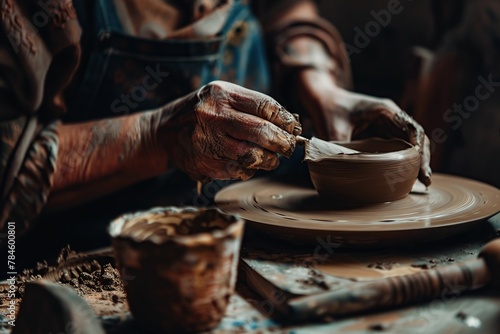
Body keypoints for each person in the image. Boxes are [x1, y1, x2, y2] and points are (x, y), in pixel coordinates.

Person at [0, 0, 431, 244]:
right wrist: (158, 137)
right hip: (65, 255)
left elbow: (286, 11)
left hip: (238, 235)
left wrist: (317, 81)